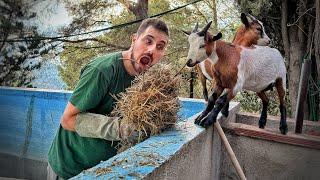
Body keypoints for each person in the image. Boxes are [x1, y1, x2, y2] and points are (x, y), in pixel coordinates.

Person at [47, 18, 169, 179]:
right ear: (134, 39)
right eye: (148, 41)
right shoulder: (102, 71)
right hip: (69, 170)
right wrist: (120, 128)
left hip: (103, 172)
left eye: (160, 47)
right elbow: (68, 120)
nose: (152, 50)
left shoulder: (147, 81)